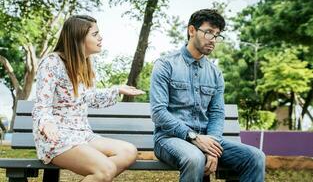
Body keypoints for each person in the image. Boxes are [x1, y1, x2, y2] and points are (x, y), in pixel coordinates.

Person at [150, 9, 265, 182]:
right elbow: (158, 112)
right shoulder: (166, 65)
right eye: (209, 32)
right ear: (191, 31)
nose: (213, 40)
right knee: (195, 157)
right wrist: (194, 138)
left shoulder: (215, 73)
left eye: (217, 35)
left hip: (208, 138)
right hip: (169, 139)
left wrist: (211, 146)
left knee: (255, 157)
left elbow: (217, 113)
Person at [32, 15, 145, 182]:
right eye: (95, 34)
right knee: (105, 170)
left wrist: (117, 90)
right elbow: (42, 104)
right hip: (57, 137)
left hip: (82, 134)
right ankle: (101, 172)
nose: (101, 38)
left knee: (128, 152)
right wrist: (46, 122)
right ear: (78, 37)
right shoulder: (52, 63)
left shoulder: (86, 65)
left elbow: (90, 98)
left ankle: (99, 173)